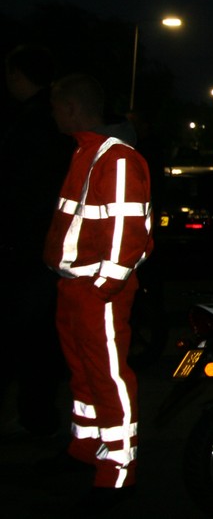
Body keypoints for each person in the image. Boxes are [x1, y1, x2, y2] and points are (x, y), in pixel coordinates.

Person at [42, 73, 153, 512]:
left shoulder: (116, 157)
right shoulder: (85, 152)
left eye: (56, 107)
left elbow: (129, 229)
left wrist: (104, 286)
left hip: (96, 291)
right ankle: (86, 450)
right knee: (84, 375)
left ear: (71, 108)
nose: (53, 115)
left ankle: (118, 475)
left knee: (109, 379)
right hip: (76, 287)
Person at [0, 45, 74, 438]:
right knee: (39, 339)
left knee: (27, 337)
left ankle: (36, 416)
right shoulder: (48, 122)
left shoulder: (31, 124)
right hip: (46, 247)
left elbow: (24, 190)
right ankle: (37, 413)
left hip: (29, 248)